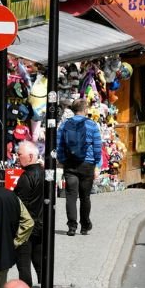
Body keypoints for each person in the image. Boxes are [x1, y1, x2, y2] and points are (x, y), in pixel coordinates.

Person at [55, 98, 101, 236]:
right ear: (85, 109)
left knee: (71, 196)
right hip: (87, 164)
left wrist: (63, 161)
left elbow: (59, 145)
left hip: (70, 164)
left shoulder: (64, 125)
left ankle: (72, 226)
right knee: (85, 197)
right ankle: (85, 225)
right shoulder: (92, 125)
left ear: (73, 110)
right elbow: (97, 146)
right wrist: (97, 164)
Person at [12, 140, 47, 286]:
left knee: (24, 266)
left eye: (19, 154)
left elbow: (20, 203)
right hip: (42, 225)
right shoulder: (45, 174)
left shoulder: (26, 177)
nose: (17, 157)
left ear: (31, 156)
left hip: (27, 227)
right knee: (40, 266)